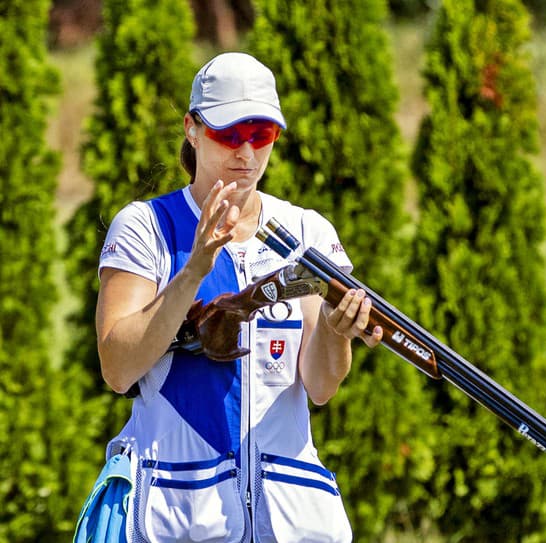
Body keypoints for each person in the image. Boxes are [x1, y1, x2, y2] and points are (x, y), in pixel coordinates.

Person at [93, 51, 381, 543]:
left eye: (261, 134)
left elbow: (320, 386)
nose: (245, 153)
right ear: (192, 128)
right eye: (229, 134)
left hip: (291, 522)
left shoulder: (308, 230)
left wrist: (336, 334)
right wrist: (194, 271)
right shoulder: (146, 226)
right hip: (177, 520)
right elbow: (117, 369)